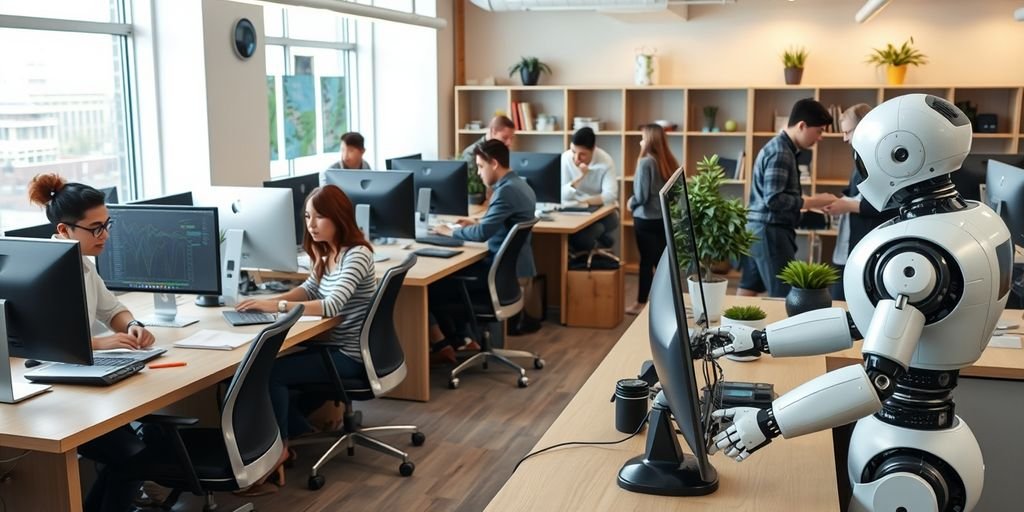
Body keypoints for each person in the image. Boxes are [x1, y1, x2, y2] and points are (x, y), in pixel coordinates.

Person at [233, 184, 376, 495]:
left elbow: (331, 304)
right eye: (308, 216)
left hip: (350, 355)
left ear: (339, 218)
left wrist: (276, 306)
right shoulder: (327, 252)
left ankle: (278, 452)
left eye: (319, 217)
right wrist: (266, 300)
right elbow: (311, 289)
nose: (311, 224)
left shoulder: (357, 254)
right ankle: (298, 430)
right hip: (333, 346)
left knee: (270, 374)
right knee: (270, 368)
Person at [27, 173, 157, 512]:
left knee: (132, 452)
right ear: (64, 231)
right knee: (131, 455)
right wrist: (101, 344)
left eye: (107, 224)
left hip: (83, 382)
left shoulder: (84, 265)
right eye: (95, 228)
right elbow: (36, 341)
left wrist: (133, 325)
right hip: (54, 393)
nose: (105, 235)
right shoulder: (42, 272)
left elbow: (111, 308)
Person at [431, 139, 537, 360]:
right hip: (509, 273)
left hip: (494, 276)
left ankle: (450, 343)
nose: (479, 173)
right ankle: (464, 340)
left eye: (480, 166)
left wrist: (449, 231)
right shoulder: (521, 185)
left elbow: (482, 235)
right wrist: (475, 222)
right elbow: (496, 224)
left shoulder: (505, 191)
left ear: (494, 164)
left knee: (435, 286)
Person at [738, 98, 839, 297]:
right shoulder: (781, 153)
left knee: (748, 289)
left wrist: (810, 200)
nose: (820, 138)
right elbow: (774, 200)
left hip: (757, 230)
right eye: (819, 131)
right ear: (802, 126)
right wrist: (814, 201)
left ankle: (733, 328)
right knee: (784, 296)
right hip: (770, 232)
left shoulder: (780, 148)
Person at [822, 103, 898, 300]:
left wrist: (846, 205)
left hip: (868, 247)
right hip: (854, 246)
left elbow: (890, 207)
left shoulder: (882, 160)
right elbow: (859, 193)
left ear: (865, 126)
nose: (844, 138)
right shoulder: (861, 158)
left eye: (848, 132)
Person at [626, 124, 677, 315]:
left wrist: (630, 202)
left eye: (642, 138)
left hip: (645, 220)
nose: (640, 141)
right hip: (662, 219)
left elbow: (641, 196)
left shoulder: (646, 162)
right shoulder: (668, 161)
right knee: (662, 263)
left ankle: (640, 304)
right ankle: (668, 302)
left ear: (649, 140)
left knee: (646, 262)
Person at [561, 126, 619, 252]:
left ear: (593, 149)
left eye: (582, 154)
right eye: (573, 151)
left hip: (600, 211)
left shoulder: (606, 161)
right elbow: (562, 194)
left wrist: (584, 202)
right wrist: (581, 177)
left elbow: (610, 196)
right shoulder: (566, 158)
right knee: (573, 233)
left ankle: (583, 257)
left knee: (586, 234)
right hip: (572, 210)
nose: (576, 159)